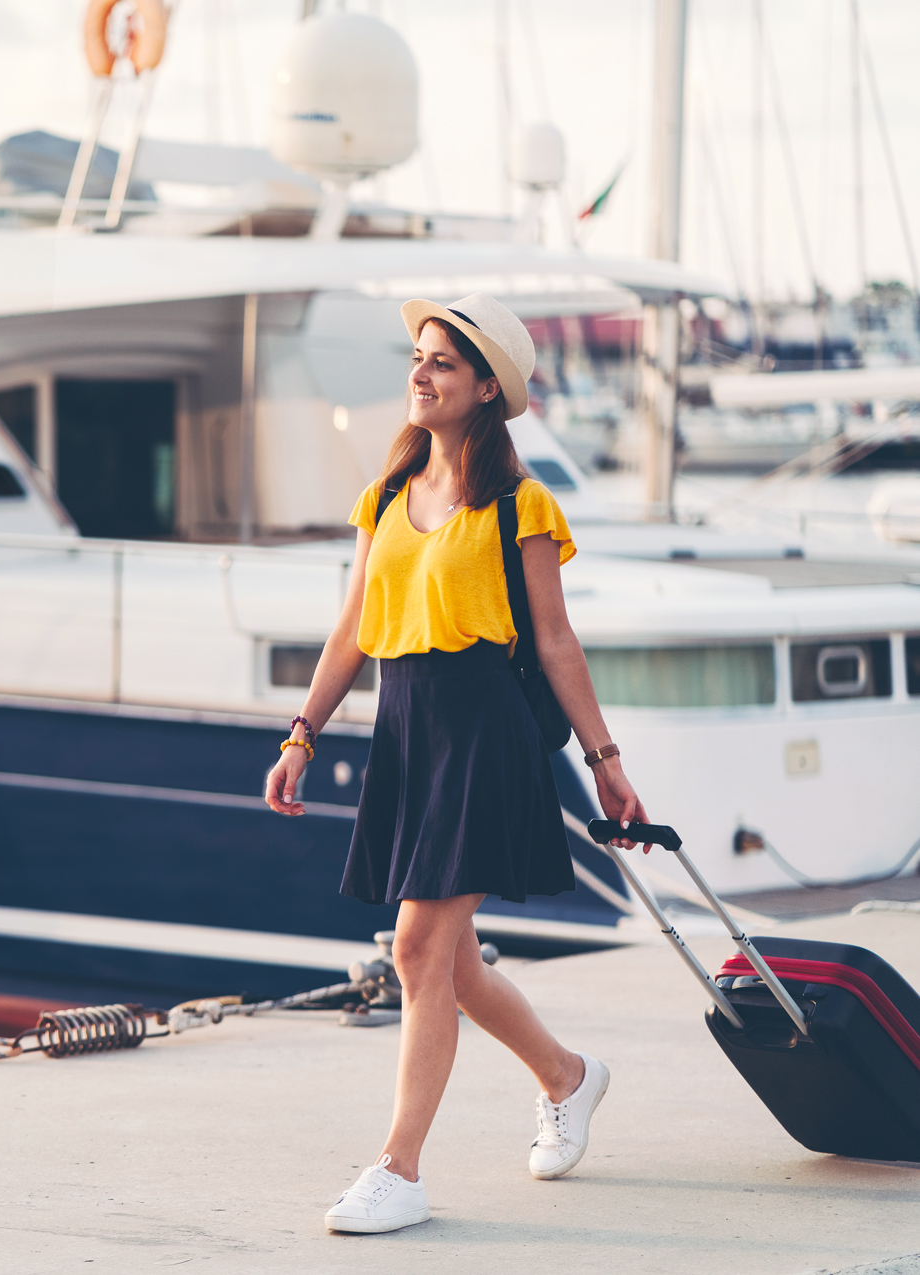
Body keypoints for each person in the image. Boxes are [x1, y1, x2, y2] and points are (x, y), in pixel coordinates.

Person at [263, 292, 651, 1236]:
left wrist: (605, 759)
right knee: (454, 963)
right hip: (408, 728)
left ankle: (399, 1167)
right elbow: (354, 627)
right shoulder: (387, 497)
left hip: (485, 732)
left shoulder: (521, 504)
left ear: (485, 388)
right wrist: (302, 732)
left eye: (441, 361)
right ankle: (569, 1076)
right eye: (419, 357)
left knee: (415, 947)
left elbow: (555, 641)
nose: (420, 371)